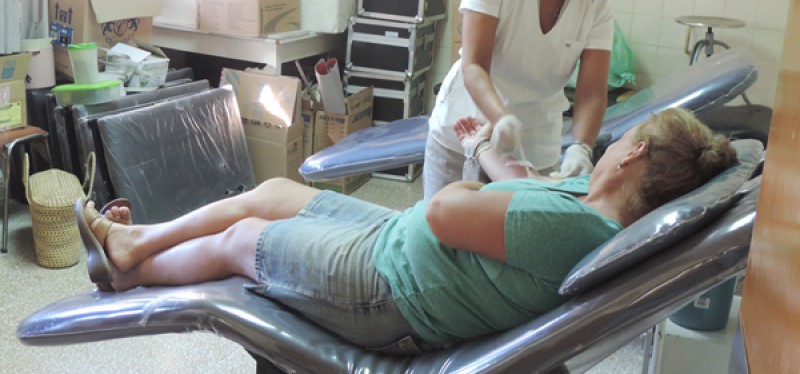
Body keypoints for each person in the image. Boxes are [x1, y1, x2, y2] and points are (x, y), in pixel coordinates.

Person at [76, 108, 736, 356]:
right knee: (274, 192)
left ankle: (131, 267)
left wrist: (474, 186)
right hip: (399, 245)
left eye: (628, 138)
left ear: (636, 155)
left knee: (244, 238)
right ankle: (144, 237)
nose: (617, 141)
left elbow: (448, 210)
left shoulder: (576, 227)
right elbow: (519, 188)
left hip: (389, 295)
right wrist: (484, 155)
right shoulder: (587, 199)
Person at [424, 0, 624, 199]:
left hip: (535, 145)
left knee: (517, 229)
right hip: (465, 132)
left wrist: (582, 147)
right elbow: (474, 65)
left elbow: (591, 91)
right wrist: (502, 121)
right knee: (441, 225)